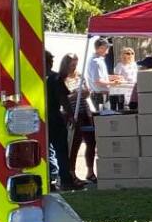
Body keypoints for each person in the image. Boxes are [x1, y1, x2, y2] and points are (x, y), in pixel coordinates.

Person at [45, 53, 81, 190]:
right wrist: (71, 116)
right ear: (47, 61)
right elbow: (63, 99)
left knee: (43, 152)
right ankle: (66, 181)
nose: (53, 62)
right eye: (51, 59)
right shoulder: (55, 78)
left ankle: (47, 181)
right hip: (54, 117)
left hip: (36, 119)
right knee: (61, 150)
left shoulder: (33, 77)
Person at [64, 56, 97, 184]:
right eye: (72, 65)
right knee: (74, 144)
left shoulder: (80, 76)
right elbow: (64, 97)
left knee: (91, 142)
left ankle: (90, 171)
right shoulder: (62, 79)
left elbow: (87, 92)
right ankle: (72, 173)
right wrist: (75, 94)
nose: (74, 67)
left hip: (85, 111)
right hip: (72, 113)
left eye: (75, 64)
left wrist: (85, 92)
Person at [85, 38, 113, 110]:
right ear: (101, 48)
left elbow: (102, 77)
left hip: (101, 95)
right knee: (102, 119)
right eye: (107, 48)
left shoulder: (99, 60)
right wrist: (113, 83)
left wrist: (114, 77)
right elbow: (98, 81)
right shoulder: (95, 62)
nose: (107, 51)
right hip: (99, 96)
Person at [110, 47, 139, 111]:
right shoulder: (120, 65)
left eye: (132, 53)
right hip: (124, 87)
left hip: (134, 87)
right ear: (123, 54)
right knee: (124, 107)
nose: (130, 55)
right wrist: (122, 80)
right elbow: (116, 78)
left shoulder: (134, 64)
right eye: (128, 53)